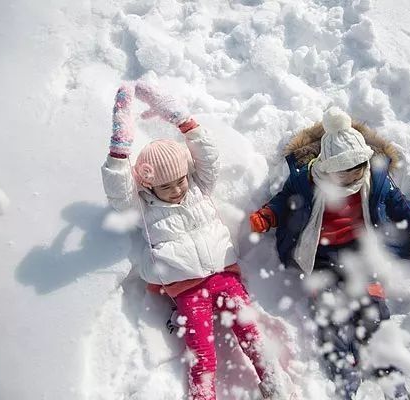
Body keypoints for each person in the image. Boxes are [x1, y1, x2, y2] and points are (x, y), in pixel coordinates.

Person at [101, 82, 288, 400]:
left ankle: (275, 384)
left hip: (225, 278)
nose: (176, 189)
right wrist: (120, 148)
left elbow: (209, 157)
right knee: (202, 352)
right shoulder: (144, 207)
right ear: (149, 186)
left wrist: (183, 121)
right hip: (186, 289)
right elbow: (118, 192)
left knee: (250, 331)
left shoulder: (198, 187)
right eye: (166, 186)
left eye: (180, 180)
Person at [249, 107, 410, 399]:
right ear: (326, 167)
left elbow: (401, 204)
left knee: (373, 313)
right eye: (344, 172)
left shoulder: (374, 178)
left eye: (357, 168)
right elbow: (283, 200)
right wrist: (267, 216)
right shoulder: (307, 180)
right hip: (321, 257)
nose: (352, 177)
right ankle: (344, 376)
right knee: (329, 316)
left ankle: (391, 378)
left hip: (361, 257)